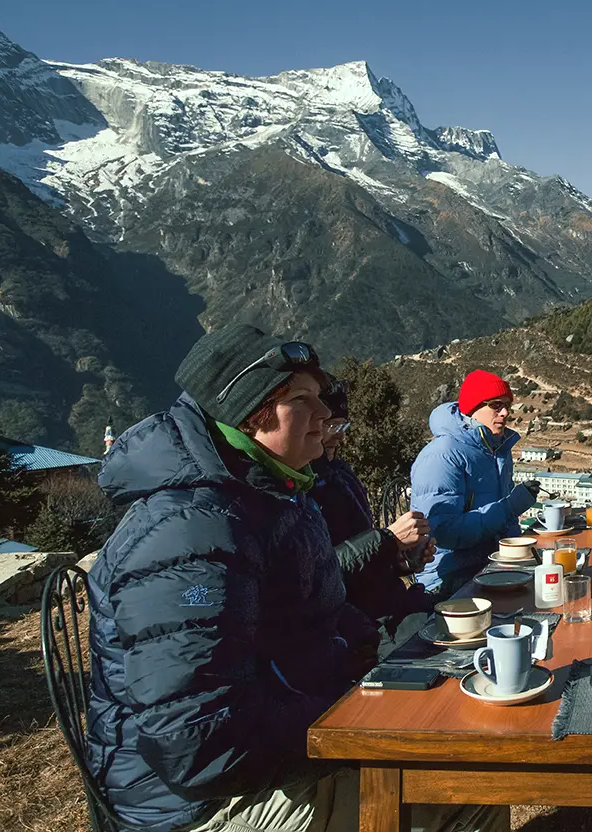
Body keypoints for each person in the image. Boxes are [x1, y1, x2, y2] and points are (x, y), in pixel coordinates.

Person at [86, 324, 378, 832]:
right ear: (252, 412)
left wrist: (386, 647)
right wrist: (352, 720)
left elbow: (313, 614)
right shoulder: (191, 532)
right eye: (304, 400)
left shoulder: (270, 495)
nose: (326, 415)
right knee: (448, 787)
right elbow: (199, 744)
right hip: (202, 807)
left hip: (274, 745)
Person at [312, 377, 435, 642]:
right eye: (332, 425)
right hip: (360, 626)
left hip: (389, 607)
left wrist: (402, 561)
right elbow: (320, 575)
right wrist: (387, 540)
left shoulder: (341, 474)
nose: (341, 436)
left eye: (343, 425)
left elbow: (360, 558)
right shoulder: (298, 490)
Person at [410, 369, 539, 594]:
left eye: (507, 405)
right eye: (496, 405)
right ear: (473, 407)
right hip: (449, 577)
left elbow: (503, 524)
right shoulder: (443, 455)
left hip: (490, 564)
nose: (505, 412)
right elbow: (443, 532)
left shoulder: (497, 448)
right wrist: (510, 507)